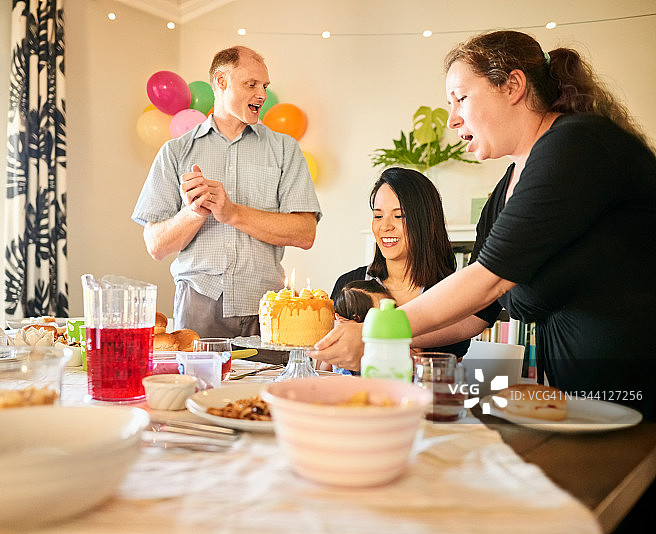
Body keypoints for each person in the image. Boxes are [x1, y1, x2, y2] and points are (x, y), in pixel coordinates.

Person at [312, 30, 656, 418]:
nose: (453, 118)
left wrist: (379, 332)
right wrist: (387, 347)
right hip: (584, 405)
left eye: (461, 98)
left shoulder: (577, 145)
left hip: (640, 397)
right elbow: (477, 312)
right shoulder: (506, 189)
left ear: (513, 86)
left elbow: (489, 279)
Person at [131, 46, 321, 340]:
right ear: (221, 81)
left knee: (267, 388)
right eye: (251, 84)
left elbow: (305, 232)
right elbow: (156, 245)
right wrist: (193, 213)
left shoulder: (285, 150)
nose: (262, 95)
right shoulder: (175, 151)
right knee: (201, 388)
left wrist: (232, 213)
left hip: (269, 310)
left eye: (265, 86)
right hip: (197, 309)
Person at [331, 167, 500, 361]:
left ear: (425, 222)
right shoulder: (349, 284)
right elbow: (323, 366)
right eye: (378, 216)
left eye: (399, 216)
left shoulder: (453, 295)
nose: (385, 226)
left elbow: (439, 374)